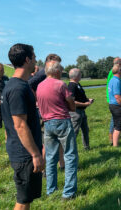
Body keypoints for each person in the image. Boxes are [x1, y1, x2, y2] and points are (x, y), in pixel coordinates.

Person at [1, 43, 44, 209]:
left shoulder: (13, 85)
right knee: (23, 200)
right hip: (24, 153)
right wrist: (35, 154)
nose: (36, 60)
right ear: (27, 60)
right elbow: (19, 125)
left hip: (21, 150)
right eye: (34, 57)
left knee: (27, 198)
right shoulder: (18, 88)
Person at [36, 61, 78, 200]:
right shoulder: (60, 84)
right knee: (70, 156)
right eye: (60, 70)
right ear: (55, 71)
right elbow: (70, 102)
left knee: (50, 157)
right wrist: (71, 106)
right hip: (62, 121)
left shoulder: (39, 85)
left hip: (47, 123)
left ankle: (50, 190)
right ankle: (68, 192)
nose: (61, 72)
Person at [28, 54, 65, 169]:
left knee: (57, 141)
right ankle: (43, 169)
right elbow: (29, 85)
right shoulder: (43, 73)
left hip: (53, 111)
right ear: (50, 62)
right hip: (45, 112)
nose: (58, 66)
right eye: (57, 63)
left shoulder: (51, 74)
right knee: (47, 143)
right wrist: (37, 99)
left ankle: (62, 164)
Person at [68, 68, 94, 150]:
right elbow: (71, 101)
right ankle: (70, 150)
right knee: (74, 132)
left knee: (85, 130)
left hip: (82, 111)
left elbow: (80, 97)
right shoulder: (71, 86)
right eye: (80, 74)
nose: (81, 76)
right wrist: (84, 104)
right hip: (76, 112)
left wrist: (87, 100)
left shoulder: (77, 84)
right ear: (76, 76)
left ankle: (86, 147)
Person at [108, 64, 121, 147]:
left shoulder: (112, 80)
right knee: (118, 126)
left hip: (113, 105)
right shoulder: (116, 81)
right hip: (117, 106)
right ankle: (115, 145)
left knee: (115, 124)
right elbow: (117, 96)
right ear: (119, 71)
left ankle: (114, 142)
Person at [106, 57, 121, 145]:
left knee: (114, 118)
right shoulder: (114, 73)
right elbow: (113, 88)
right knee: (114, 119)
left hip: (113, 99)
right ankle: (112, 137)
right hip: (114, 100)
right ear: (118, 64)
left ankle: (113, 135)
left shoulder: (113, 72)